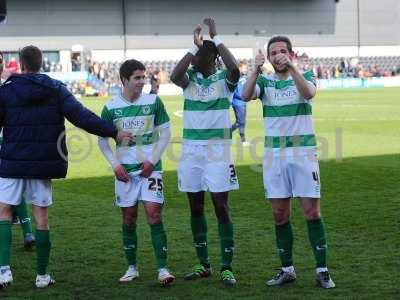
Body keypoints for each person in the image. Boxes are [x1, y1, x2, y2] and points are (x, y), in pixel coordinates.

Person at [0, 45, 132, 289]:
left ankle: (4, 272)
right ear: (41, 64)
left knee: (4, 212)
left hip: (12, 161)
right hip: (43, 163)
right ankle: (41, 276)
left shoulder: (6, 91)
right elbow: (81, 116)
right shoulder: (55, 89)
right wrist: (113, 131)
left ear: (21, 64)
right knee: (41, 217)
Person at [242, 36, 335, 289]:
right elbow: (245, 95)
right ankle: (287, 269)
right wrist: (254, 69)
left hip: (303, 155)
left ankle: (322, 270)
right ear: (269, 58)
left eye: (283, 51)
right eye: (274, 52)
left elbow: (310, 93)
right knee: (279, 214)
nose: (278, 55)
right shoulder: (264, 81)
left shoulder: (303, 75)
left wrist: (294, 68)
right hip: (274, 157)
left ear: (291, 54)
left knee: (312, 212)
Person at [170, 17, 240, 286]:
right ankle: (203, 263)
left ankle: (226, 266)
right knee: (195, 207)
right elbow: (175, 75)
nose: (195, 59)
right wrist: (193, 48)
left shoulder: (225, 80)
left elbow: (234, 68)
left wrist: (216, 38)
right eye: (194, 55)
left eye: (200, 54)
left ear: (213, 57)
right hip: (191, 152)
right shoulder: (189, 82)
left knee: (221, 206)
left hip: (218, 152)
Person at [98, 59, 175, 286]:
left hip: (150, 170)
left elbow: (166, 133)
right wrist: (115, 165)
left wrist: (153, 161)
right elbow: (102, 141)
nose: (142, 82)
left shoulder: (154, 101)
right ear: (124, 80)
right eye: (137, 78)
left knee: (154, 214)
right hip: (124, 173)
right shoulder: (110, 107)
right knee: (129, 219)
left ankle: (162, 269)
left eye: (143, 77)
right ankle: (132, 268)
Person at [0, 51, 35, 250]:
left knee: (10, 190)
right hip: (12, 143)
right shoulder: (10, 84)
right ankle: (28, 232)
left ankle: (27, 232)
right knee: (14, 190)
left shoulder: (9, 85)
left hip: (9, 143)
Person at [231, 74, 249, 146]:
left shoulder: (243, 79)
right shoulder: (235, 80)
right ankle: (243, 141)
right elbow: (235, 92)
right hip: (238, 103)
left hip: (241, 103)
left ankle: (226, 133)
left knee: (240, 122)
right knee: (240, 122)